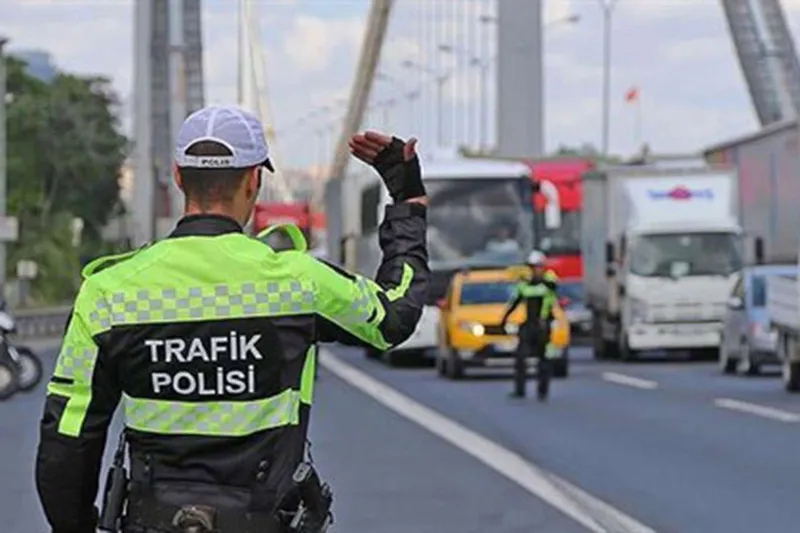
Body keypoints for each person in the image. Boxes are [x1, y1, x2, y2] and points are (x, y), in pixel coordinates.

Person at [34, 104, 430, 533]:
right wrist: (406, 201)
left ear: (179, 177)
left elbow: (67, 439)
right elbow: (394, 316)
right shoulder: (298, 283)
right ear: (254, 179)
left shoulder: (108, 293)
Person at [500, 250, 558, 401]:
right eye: (533, 267)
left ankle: (542, 391)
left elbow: (553, 286)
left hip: (544, 325)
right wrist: (504, 319)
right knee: (520, 358)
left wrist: (539, 279)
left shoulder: (549, 282)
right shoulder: (524, 285)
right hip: (529, 325)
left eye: (538, 267)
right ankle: (520, 390)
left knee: (544, 360)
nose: (535, 270)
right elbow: (514, 303)